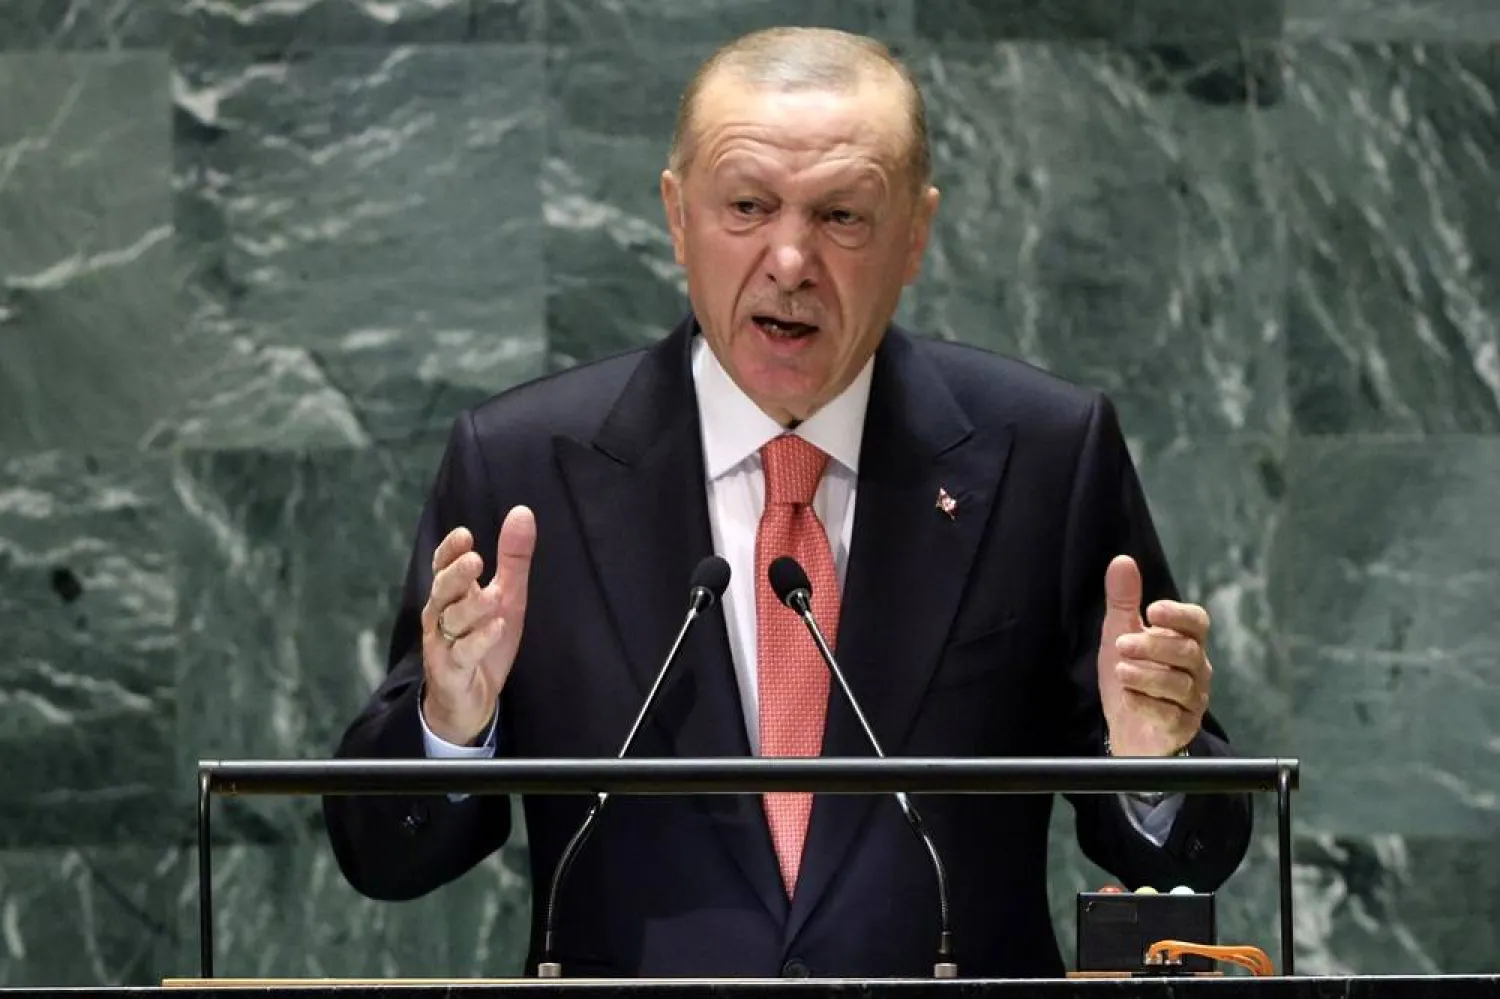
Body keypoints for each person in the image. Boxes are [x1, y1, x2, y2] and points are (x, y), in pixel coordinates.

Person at [323, 26, 1252, 979]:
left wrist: (1150, 764)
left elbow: (1187, 845)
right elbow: (383, 856)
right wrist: (451, 725)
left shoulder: (1043, 456)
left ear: (916, 235)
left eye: (843, 216)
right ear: (677, 215)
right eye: (747, 206)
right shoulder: (525, 469)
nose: (791, 259)